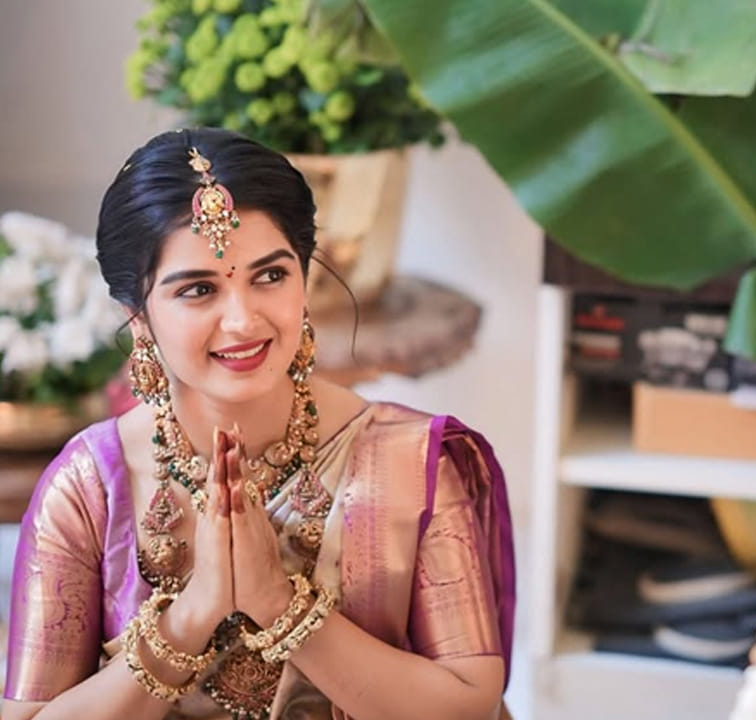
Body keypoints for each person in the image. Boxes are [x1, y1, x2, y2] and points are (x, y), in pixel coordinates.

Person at [2, 128, 515, 720]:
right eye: (199, 289)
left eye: (270, 276)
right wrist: (193, 615)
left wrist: (277, 601)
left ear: (305, 277)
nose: (243, 321)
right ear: (137, 316)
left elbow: (469, 704)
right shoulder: (90, 487)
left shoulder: (410, 462)